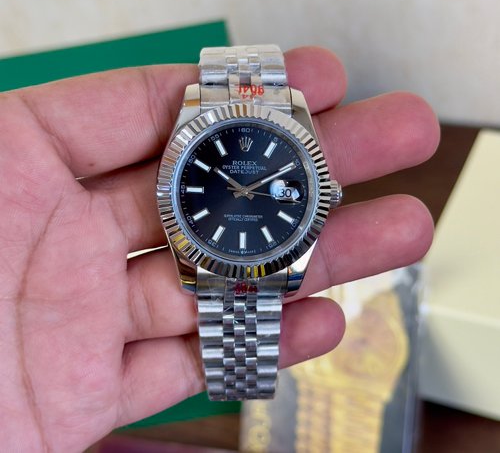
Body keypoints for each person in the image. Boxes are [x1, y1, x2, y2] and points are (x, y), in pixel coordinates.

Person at [0, 47, 439, 451]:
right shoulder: (197, 146)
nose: (243, 194)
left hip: (244, 250)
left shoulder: (288, 169)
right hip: (225, 251)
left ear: (325, 193)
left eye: (247, 190)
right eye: (237, 190)